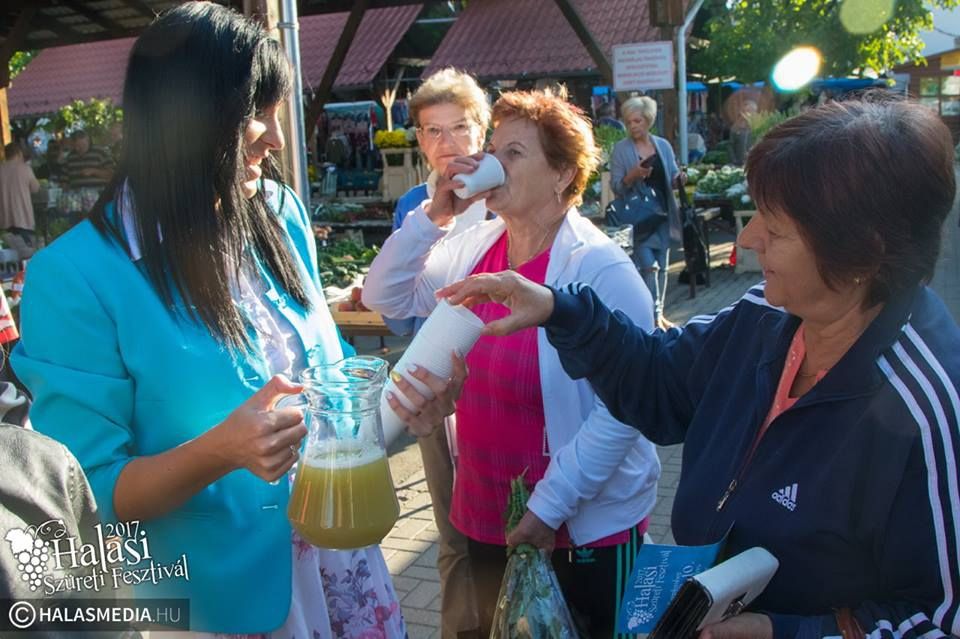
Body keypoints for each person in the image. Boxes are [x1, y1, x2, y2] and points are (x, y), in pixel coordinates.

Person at [437, 94, 960, 639]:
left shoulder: (929, 410)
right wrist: (559, 309)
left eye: (776, 229)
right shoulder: (766, 316)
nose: (748, 238)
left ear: (862, 254)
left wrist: (785, 632)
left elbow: (939, 620)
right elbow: (660, 387)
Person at [13, 4, 405, 636]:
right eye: (259, 113)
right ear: (188, 119)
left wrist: (404, 392)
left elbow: (328, 377)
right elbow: (88, 495)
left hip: (340, 558)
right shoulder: (76, 276)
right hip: (214, 599)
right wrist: (222, 451)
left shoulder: (278, 213)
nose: (277, 140)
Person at [363, 88, 660, 637]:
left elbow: (627, 408)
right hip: (484, 511)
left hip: (578, 528)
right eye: (493, 148)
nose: (492, 163)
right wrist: (435, 215)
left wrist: (550, 506)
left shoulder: (601, 270)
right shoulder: (475, 247)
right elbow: (387, 297)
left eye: (514, 153)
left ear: (563, 175)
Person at [385, 66, 490, 639]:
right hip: (434, 386)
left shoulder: (502, 195)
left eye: (459, 127)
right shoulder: (412, 205)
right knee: (452, 531)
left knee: (509, 522)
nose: (448, 144)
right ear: (420, 141)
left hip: (504, 382)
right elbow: (399, 312)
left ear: (482, 129)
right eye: (432, 131)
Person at [610, 96, 684, 328]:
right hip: (639, 218)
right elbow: (616, 186)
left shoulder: (662, 145)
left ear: (648, 120)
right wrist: (633, 175)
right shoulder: (621, 150)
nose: (633, 126)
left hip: (663, 214)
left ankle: (659, 314)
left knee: (662, 266)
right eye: (629, 122)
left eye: (638, 121)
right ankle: (651, 316)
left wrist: (679, 178)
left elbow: (671, 176)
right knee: (648, 266)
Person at [0, 143, 40, 246]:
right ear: (19, 153)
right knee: (26, 251)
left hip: (4, 220)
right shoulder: (25, 169)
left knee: (9, 253)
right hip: (23, 219)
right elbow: (35, 188)